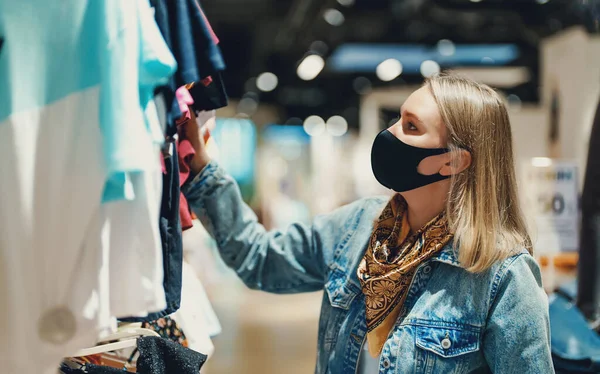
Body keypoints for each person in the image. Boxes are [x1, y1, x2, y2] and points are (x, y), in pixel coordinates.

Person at [181, 73, 553, 373]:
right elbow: (261, 259)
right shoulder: (357, 226)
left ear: (452, 162)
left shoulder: (501, 275)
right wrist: (200, 166)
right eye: (397, 118)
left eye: (410, 126)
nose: (389, 133)